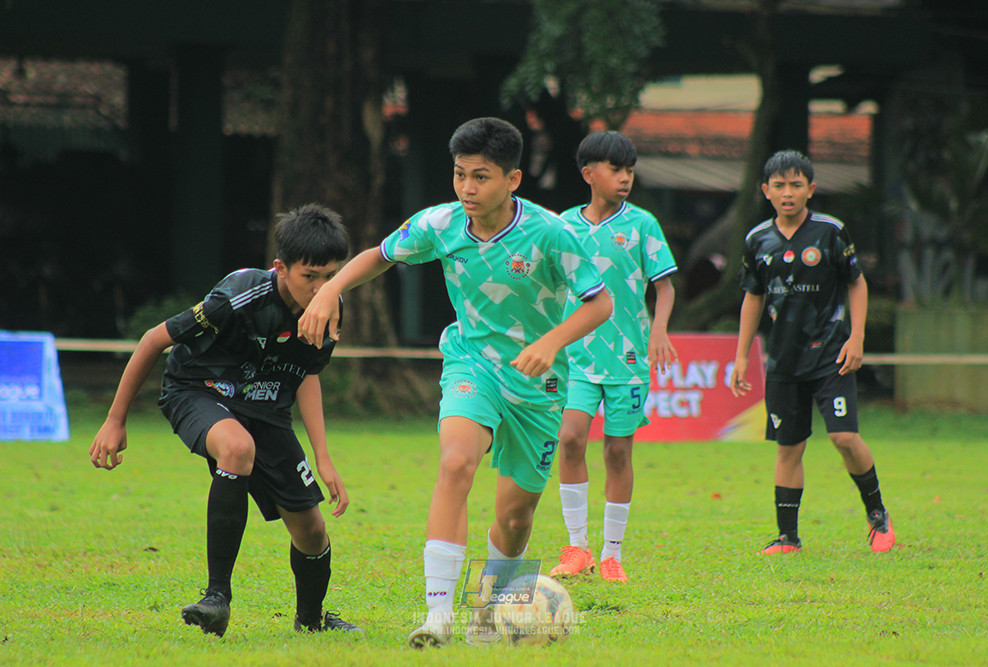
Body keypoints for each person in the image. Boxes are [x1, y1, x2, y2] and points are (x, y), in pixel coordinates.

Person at [297, 117, 612, 648]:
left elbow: (600, 303)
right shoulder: (439, 225)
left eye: (481, 177)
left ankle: (488, 613)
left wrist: (552, 342)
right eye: (460, 175)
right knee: (456, 462)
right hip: (472, 365)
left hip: (538, 386)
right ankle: (438, 615)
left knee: (515, 519)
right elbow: (381, 254)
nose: (467, 188)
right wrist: (331, 290)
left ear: (513, 180)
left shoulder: (553, 233)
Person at [89, 203, 362, 636]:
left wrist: (323, 456)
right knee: (237, 448)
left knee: (311, 530)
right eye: (310, 276)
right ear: (281, 268)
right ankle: (217, 597)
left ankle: (311, 622)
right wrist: (115, 420)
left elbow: (307, 373)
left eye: (330, 276)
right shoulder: (240, 294)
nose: (320, 287)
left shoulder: (331, 306)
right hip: (197, 390)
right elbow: (152, 340)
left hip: (266, 408)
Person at [729, 150, 896, 555]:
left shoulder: (831, 232)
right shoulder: (757, 240)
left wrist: (856, 338)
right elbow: (753, 296)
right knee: (789, 448)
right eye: (780, 186)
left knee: (843, 437)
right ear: (766, 191)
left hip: (831, 355)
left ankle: (877, 515)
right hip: (784, 361)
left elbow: (856, 283)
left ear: (811, 189)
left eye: (796, 185)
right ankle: (788, 538)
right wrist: (740, 355)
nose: (788, 193)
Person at [548, 131, 678, 584]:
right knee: (569, 438)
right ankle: (576, 547)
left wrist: (658, 328)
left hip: (627, 358)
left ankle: (611, 554)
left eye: (629, 170)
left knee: (619, 452)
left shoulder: (642, 224)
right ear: (589, 174)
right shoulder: (562, 226)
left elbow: (664, 286)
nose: (625, 178)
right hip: (577, 355)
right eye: (615, 170)